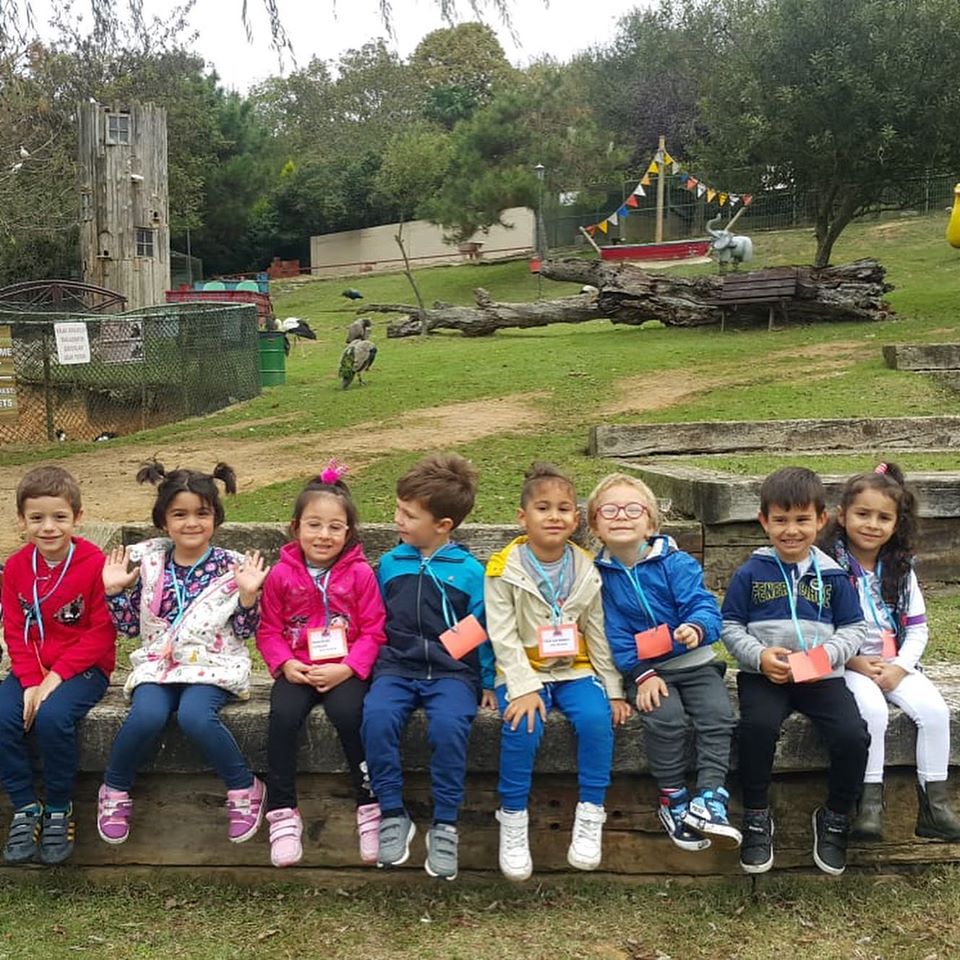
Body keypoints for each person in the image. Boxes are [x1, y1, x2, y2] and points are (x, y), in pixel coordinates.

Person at [96, 461, 269, 846]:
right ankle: (114, 788)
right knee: (146, 714)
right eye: (180, 514)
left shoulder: (232, 568)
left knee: (194, 715)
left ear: (215, 517)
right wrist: (115, 591)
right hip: (159, 666)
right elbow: (130, 628)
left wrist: (248, 596)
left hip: (211, 665)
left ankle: (244, 786)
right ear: (163, 520)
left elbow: (245, 631)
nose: (192, 523)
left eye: (201, 513)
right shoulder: (149, 564)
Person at [722, 466, 868, 876]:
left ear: (821, 520)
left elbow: (854, 627)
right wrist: (759, 656)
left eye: (802, 519)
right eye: (780, 520)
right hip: (764, 676)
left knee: (852, 735)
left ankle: (836, 816)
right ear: (764, 521)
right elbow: (729, 625)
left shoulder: (834, 576)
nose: (791, 530)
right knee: (756, 729)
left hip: (821, 676)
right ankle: (755, 816)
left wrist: (825, 656)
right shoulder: (750, 573)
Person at [487, 462, 629, 882]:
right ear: (522, 517)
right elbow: (502, 634)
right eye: (543, 508)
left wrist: (613, 688)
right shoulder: (504, 569)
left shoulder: (585, 567)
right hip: (523, 671)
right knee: (523, 724)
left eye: (564, 509)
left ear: (576, 519)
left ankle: (591, 812)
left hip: (574, 668)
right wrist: (523, 687)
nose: (554, 517)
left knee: (596, 719)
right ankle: (513, 818)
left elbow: (597, 630)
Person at [589, 473, 740, 853]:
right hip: (647, 672)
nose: (621, 516)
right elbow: (613, 634)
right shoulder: (599, 578)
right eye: (609, 510)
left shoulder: (676, 563)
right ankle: (672, 798)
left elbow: (703, 605)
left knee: (718, 714)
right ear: (594, 525)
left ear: (651, 523)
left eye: (633, 509)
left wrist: (696, 627)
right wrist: (641, 674)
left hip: (696, 662)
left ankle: (710, 797)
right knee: (665, 717)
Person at [361, 452, 494, 882]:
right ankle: (392, 813)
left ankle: (446, 824)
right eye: (398, 509)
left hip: (452, 675)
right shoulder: (390, 564)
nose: (397, 519)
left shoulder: (470, 572)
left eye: (409, 514)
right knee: (376, 719)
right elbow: (374, 620)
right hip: (396, 668)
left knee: (449, 728)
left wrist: (488, 681)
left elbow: (482, 630)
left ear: (443, 525)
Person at [818, 462, 960, 842]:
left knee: (934, 711)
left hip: (894, 663)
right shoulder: (828, 569)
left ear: (897, 525)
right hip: (848, 664)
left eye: (884, 518)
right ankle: (869, 806)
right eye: (863, 514)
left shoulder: (900, 570)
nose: (872, 524)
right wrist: (853, 662)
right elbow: (819, 629)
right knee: (873, 712)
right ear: (842, 516)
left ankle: (935, 807)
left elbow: (917, 629)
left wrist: (900, 667)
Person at [257, 461, 387, 867]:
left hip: (345, 669)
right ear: (296, 527)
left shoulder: (360, 574)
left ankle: (370, 805)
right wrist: (284, 664)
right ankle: (282, 813)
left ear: (349, 532)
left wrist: (349, 668)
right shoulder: (281, 575)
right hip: (298, 668)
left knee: (352, 715)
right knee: (282, 717)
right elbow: (268, 630)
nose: (324, 535)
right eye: (314, 525)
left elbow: (374, 631)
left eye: (335, 527)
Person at [0, 466, 115, 864]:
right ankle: (24, 805)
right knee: (3, 716)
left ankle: (58, 807)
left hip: (84, 669)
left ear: (77, 517)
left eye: (59, 517)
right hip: (31, 669)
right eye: (37, 518)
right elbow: (14, 629)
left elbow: (101, 633)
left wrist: (56, 678)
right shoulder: (16, 568)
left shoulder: (94, 563)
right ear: (22, 520)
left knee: (52, 718)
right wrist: (32, 679)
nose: (48, 527)